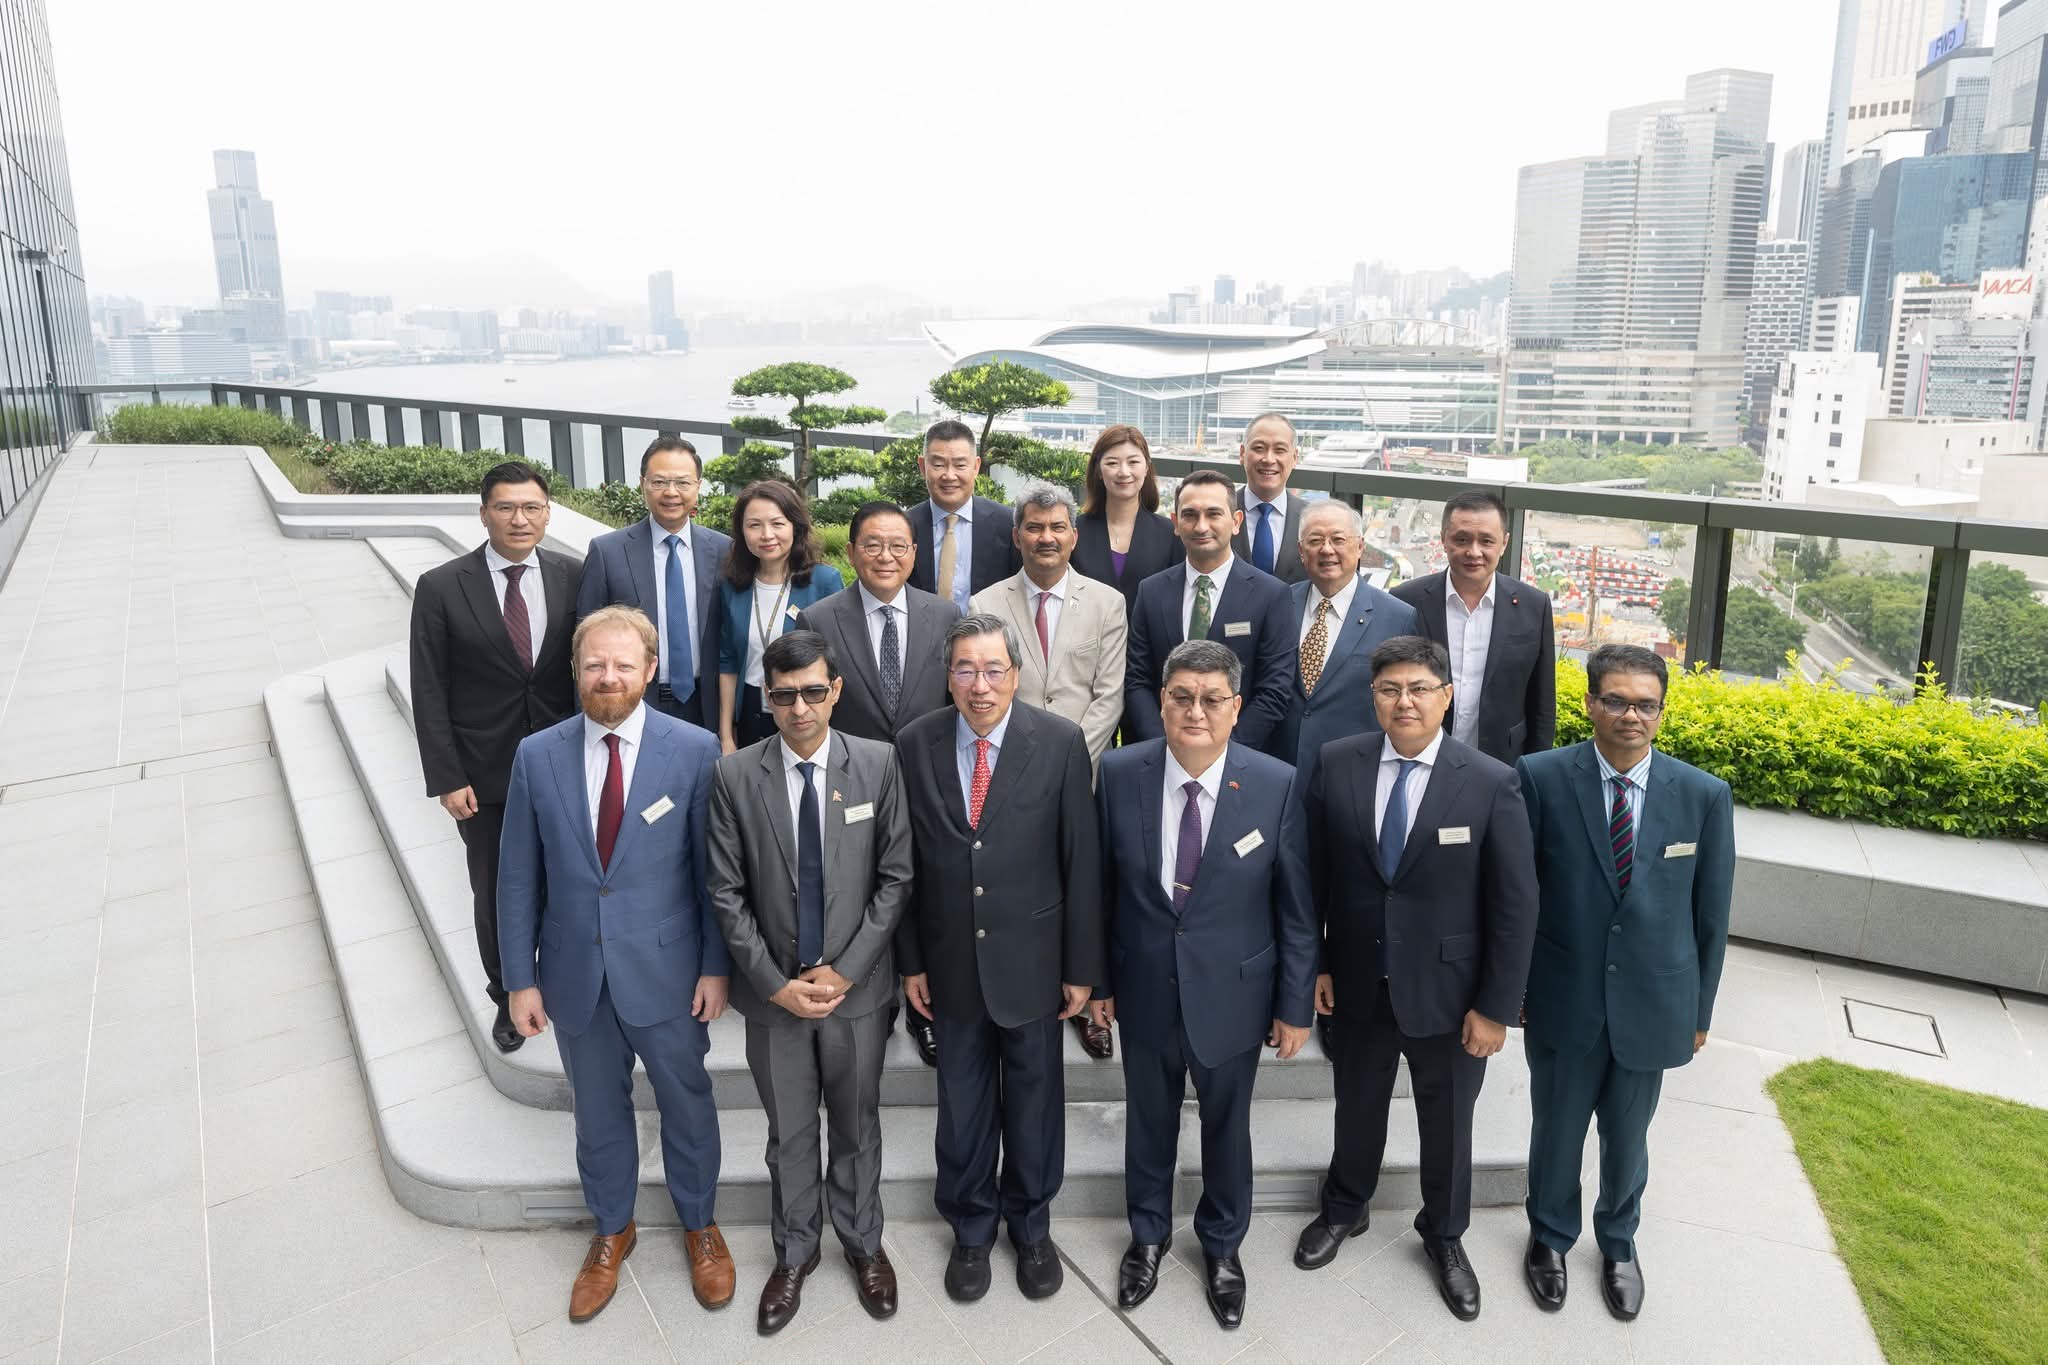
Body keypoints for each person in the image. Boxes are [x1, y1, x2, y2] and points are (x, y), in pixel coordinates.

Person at [496, 606, 735, 1322]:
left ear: (650, 669)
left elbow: (713, 874)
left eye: (623, 665)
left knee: (687, 1104)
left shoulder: (693, 750)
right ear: (575, 669)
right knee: (597, 1114)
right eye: (595, 664)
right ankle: (612, 1229)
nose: (608, 677)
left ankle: (700, 1225)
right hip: (576, 976)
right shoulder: (536, 755)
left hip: (669, 974)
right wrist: (519, 980)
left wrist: (715, 966)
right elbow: (517, 878)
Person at [1294, 635, 1537, 1323]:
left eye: (1420, 688)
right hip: (1358, 980)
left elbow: (1516, 906)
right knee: (1356, 1105)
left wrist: (1496, 1007)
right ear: (1373, 697)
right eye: (1390, 689)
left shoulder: (1489, 781)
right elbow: (1313, 874)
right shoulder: (1336, 762)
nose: (1405, 701)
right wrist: (1318, 963)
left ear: (1446, 696)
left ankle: (1445, 1234)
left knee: (1449, 1122)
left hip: (1453, 995)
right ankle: (1346, 1205)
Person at [1092, 640, 1316, 1330]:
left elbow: (1296, 909)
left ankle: (1222, 1245)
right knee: (1149, 1121)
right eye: (1181, 697)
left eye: (1211, 699)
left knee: (1227, 1127)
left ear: (1236, 707)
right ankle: (1148, 1236)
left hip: (1235, 993)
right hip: (1144, 986)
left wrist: (1294, 1005)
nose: (1196, 711)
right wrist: (1097, 981)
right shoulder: (1120, 772)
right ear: (1161, 702)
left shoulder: (1276, 783)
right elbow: (1100, 890)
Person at [1515, 645, 1735, 1323]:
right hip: (1564, 994)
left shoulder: (1703, 796)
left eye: (1645, 704)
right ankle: (1549, 1237)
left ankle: (1618, 1242)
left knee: (1628, 1135)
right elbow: (1518, 896)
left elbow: (1711, 915)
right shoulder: (1541, 777)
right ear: (1590, 704)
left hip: (1655, 1002)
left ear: (1661, 712)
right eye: (1615, 700)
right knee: (1556, 1130)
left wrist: (1699, 1011)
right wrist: (1511, 990)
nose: (1630, 715)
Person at [707, 630, 914, 1335]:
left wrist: (847, 969)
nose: (800, 708)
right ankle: (794, 1251)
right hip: (776, 1001)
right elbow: (726, 891)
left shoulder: (879, 764)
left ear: (836, 691)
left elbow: (896, 878)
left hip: (857, 994)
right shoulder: (735, 776)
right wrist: (773, 983)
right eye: (785, 695)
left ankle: (862, 1242)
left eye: (813, 692)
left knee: (857, 1125)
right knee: (789, 1133)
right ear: (767, 698)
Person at [895, 614, 1103, 1305]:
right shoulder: (915, 743)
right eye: (965, 669)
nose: (979, 685)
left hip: (1035, 962)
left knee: (1036, 1103)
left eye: (993, 670)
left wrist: (1081, 968)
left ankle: (1031, 1225)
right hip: (949, 962)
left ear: (1016, 675)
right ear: (947, 675)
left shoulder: (1060, 742)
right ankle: (971, 1227)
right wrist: (911, 960)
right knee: (962, 1105)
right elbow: (905, 865)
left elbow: (1080, 861)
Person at [409, 460, 579, 1055]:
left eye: (531, 507)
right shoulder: (442, 586)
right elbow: (428, 687)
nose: (519, 519)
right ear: (484, 514)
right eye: (506, 507)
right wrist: (447, 776)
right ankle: (508, 992)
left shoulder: (572, 576)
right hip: (484, 775)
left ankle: (564, 978)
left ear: (548, 513)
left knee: (567, 877)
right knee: (497, 888)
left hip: (563, 764)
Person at [794, 500, 962, 1068]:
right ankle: (874, 1001)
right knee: (862, 892)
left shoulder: (945, 615)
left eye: (897, 546)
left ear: (914, 553)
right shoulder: (819, 619)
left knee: (926, 892)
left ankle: (924, 1009)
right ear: (852, 551)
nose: (885, 556)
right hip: (851, 785)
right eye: (872, 544)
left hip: (927, 782)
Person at [974, 481, 1127, 1062]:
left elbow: (1109, 696)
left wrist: (1063, 764)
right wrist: (1027, 769)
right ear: (1017, 536)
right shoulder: (985, 605)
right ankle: (1023, 989)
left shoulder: (1107, 603)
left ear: (1073, 535)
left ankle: (1092, 1004)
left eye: (1057, 527)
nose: (1046, 537)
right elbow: (986, 697)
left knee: (1087, 886)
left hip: (1083, 775)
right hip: (1007, 782)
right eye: (1034, 527)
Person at [1125, 469, 1293, 756]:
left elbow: (1274, 690)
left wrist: (1222, 754)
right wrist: (1164, 746)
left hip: (1236, 757)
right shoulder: (1151, 591)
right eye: (1190, 515)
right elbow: (1137, 680)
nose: (1201, 526)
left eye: (1213, 514)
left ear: (1236, 521)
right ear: (1176, 523)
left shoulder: (1271, 595)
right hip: (1162, 753)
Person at [575, 436, 731, 728]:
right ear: (642, 484)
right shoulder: (608, 552)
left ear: (698, 486)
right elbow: (584, 642)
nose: (671, 492)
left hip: (707, 705)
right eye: (659, 482)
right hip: (633, 702)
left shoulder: (724, 550)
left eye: (682, 482)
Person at [1390, 489, 1555, 764]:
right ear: (1444, 539)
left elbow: (1542, 705)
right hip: (1417, 757)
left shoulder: (1534, 607)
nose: (1474, 552)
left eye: (1486, 541)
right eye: (1462, 539)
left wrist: (1536, 772)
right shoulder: (1406, 601)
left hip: (1501, 762)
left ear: (1504, 543)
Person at [1272, 500, 1420, 786]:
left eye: (1338, 539)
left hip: (1353, 776)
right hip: (1279, 771)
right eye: (1315, 541)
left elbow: (1401, 704)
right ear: (1301, 551)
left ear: (1360, 546)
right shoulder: (1278, 603)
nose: (1327, 549)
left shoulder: (1398, 618)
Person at [715, 480, 845, 753]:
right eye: (754, 525)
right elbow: (727, 661)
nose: (766, 535)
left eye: (777, 523)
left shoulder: (824, 581)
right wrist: (726, 735)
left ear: (795, 526)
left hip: (803, 708)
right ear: (741, 531)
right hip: (750, 710)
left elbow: (837, 660)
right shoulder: (733, 585)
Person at [907, 419, 1019, 611]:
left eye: (960, 465)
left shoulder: (1009, 525)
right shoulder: (904, 526)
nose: (949, 476)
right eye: (938, 465)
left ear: (976, 467)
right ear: (923, 466)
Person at [1070, 424, 1183, 610]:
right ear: (1098, 470)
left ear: (1146, 468)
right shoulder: (1075, 530)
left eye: (1133, 462)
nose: (1123, 472)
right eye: (1112, 463)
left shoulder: (1171, 533)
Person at [1230, 413, 1307, 583]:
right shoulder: (1218, 514)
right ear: (1242, 453)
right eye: (1259, 448)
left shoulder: (1312, 519)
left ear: (1295, 458)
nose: (1268, 459)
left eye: (1279, 450)